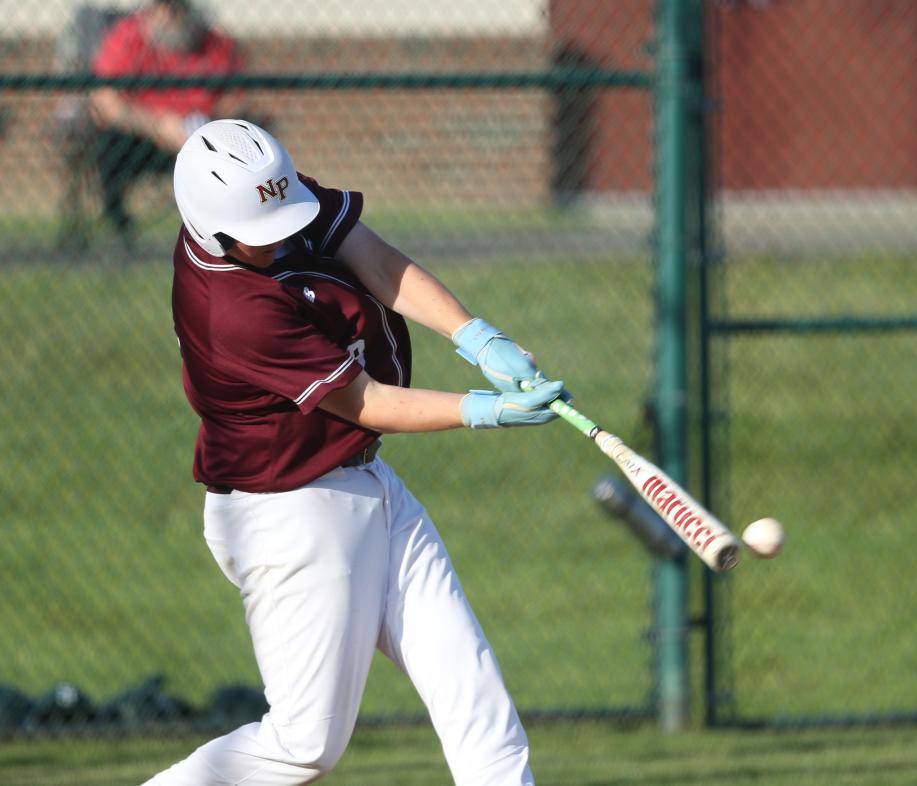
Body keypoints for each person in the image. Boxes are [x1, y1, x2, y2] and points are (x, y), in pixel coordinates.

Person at [144, 118, 570, 786]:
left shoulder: (268, 199)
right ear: (210, 228)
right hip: (290, 515)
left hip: (366, 481)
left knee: (473, 694)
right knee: (304, 746)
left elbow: (372, 257)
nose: (283, 236)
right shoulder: (231, 309)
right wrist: (482, 410)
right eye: (263, 234)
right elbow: (364, 401)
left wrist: (477, 335)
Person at [87, 0, 245, 243]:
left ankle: (228, 233)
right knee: (108, 144)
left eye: (178, 7)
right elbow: (105, 100)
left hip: (202, 139)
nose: (170, 14)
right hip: (140, 138)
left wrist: (203, 127)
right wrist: (156, 126)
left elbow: (236, 98)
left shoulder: (215, 42)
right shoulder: (128, 36)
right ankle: (120, 231)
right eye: (163, 6)